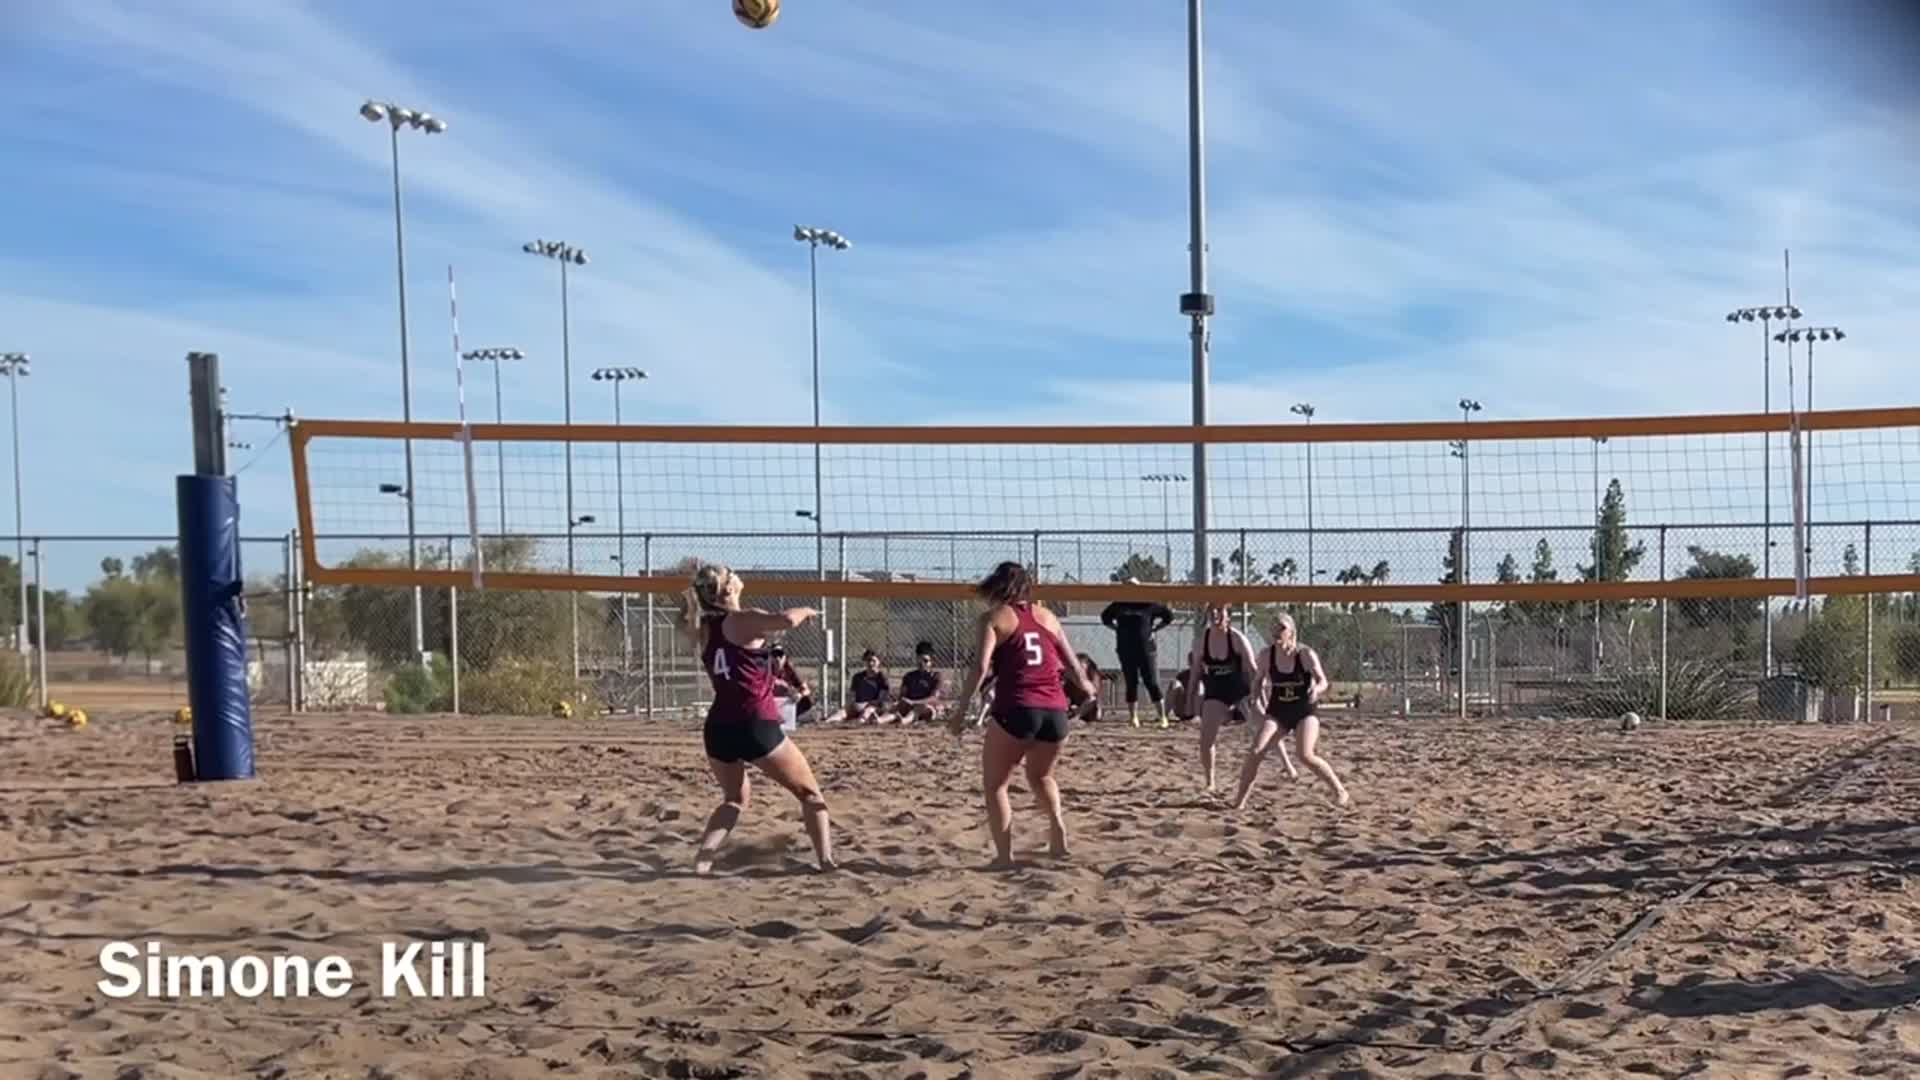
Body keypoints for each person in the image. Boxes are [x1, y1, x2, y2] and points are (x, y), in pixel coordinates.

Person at [679, 562, 834, 874]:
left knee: (734, 799)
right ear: (728, 589)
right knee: (810, 794)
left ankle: (703, 860)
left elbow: (743, 670)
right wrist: (808, 609)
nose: (737, 575)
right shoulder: (742, 618)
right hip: (754, 724)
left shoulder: (704, 628)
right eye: (731, 573)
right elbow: (788, 620)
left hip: (719, 727)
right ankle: (826, 862)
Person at [947, 561, 1097, 869]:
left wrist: (960, 712)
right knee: (1042, 776)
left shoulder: (993, 619)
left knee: (996, 785)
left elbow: (979, 668)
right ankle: (1057, 828)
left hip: (1017, 708)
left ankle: (1004, 857)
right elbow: (1073, 666)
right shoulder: (1049, 617)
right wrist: (1086, 689)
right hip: (1055, 711)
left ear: (996, 587)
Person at [1234, 613, 1350, 808]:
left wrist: (1317, 689)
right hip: (1278, 711)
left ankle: (1340, 791)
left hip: (1304, 710)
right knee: (1256, 751)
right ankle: (1239, 802)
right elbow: (1258, 680)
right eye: (1274, 628)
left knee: (1305, 754)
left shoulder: (1304, 654)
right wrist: (1255, 698)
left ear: (1291, 632)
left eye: (1281, 628)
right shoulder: (1266, 655)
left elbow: (1323, 680)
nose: (1276, 632)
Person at [1185, 603, 1258, 793]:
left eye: (1219, 610)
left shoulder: (1236, 638)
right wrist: (1189, 699)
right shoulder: (1203, 641)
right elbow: (1195, 673)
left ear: (1228, 615)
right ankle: (1210, 781)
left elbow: (1253, 669)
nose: (1215, 614)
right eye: (1212, 611)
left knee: (1263, 729)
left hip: (1241, 691)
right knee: (1206, 739)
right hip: (1216, 692)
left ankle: (1286, 765)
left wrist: (1258, 695)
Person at [1101, 591, 1175, 728]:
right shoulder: (1119, 604)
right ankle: (1133, 717)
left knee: (1151, 682)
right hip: (1126, 649)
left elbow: (1168, 616)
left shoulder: (1149, 603)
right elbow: (1105, 618)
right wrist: (1117, 629)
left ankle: (1162, 717)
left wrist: (1155, 629)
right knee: (1131, 682)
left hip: (1147, 649)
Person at [827, 650, 890, 724]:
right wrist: (851, 705)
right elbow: (852, 695)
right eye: (868, 660)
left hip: (874, 707)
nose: (870, 663)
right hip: (858, 705)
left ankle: (858, 723)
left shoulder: (882, 677)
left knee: (868, 710)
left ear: (879, 662)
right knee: (844, 711)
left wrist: (867, 704)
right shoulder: (858, 677)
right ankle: (827, 722)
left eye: (873, 661)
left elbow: (881, 698)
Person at [893, 641, 944, 724]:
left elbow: (933, 698)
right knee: (896, 707)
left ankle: (904, 720)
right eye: (919, 660)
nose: (922, 663)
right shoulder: (909, 676)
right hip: (909, 706)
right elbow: (902, 695)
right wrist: (903, 701)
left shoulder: (936, 676)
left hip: (926, 707)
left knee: (919, 708)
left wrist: (914, 702)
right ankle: (879, 720)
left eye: (925, 661)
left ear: (932, 662)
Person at [769, 645, 814, 723]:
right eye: (774, 655)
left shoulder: (789, 670)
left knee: (807, 700)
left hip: (783, 702)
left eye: (780, 655)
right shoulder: (764, 668)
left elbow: (806, 690)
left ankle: (790, 719)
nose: (777, 658)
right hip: (769, 701)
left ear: (785, 657)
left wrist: (799, 695)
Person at [1065, 653, 1103, 723]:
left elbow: (1095, 697)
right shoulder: (1070, 675)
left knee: (1092, 699)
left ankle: (1076, 717)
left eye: (1082, 666)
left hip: (1088, 709)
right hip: (1074, 707)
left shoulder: (1094, 676)